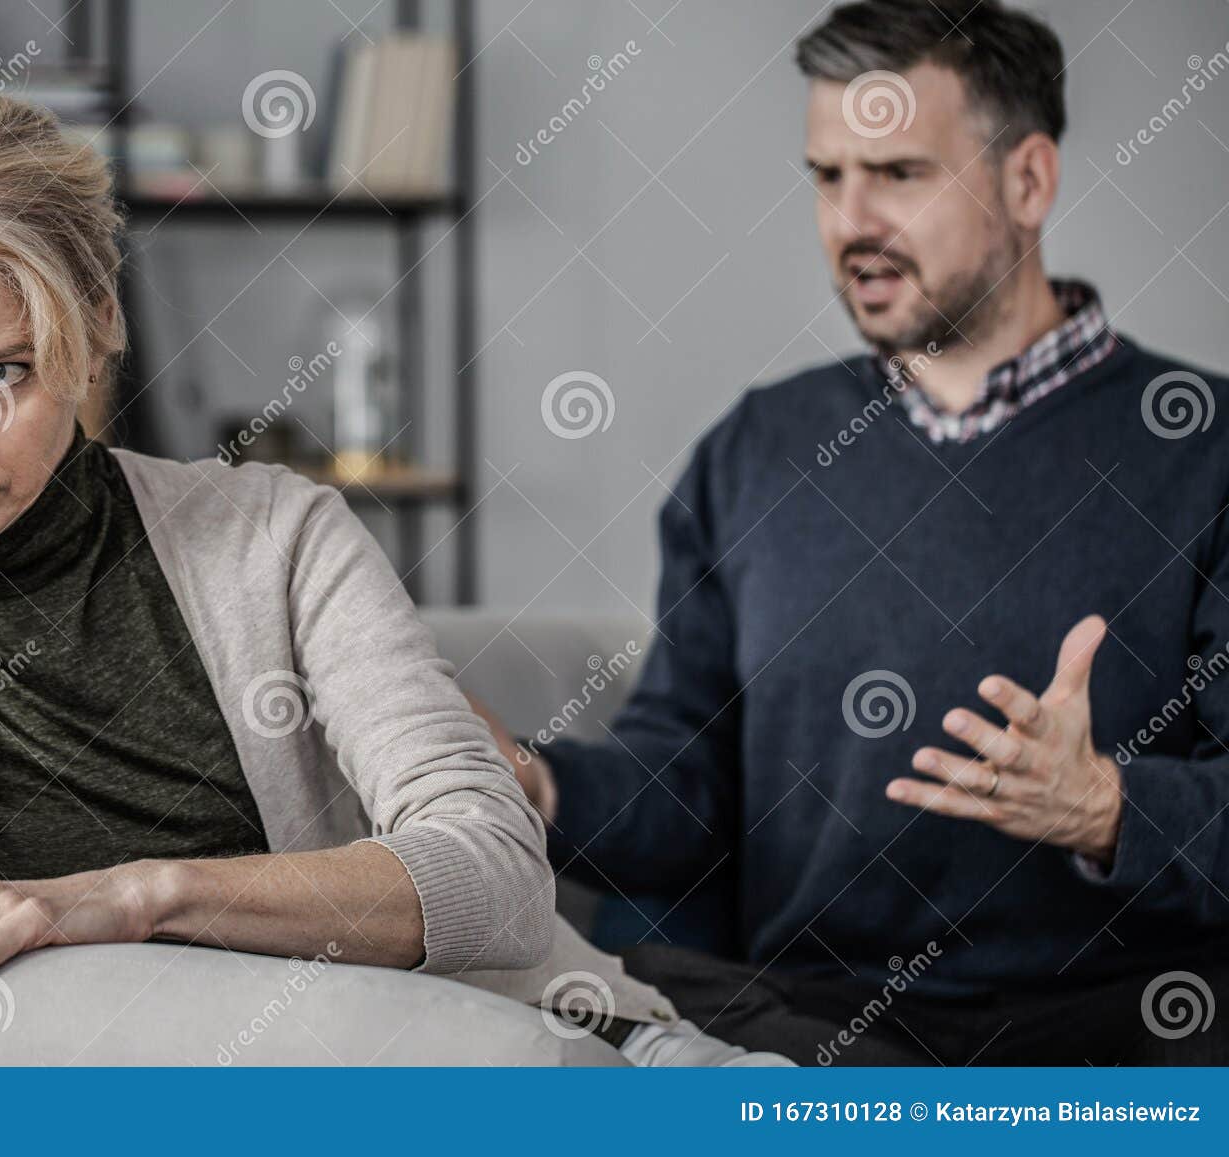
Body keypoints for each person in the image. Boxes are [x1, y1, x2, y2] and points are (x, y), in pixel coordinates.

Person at [0, 76, 783, 1067]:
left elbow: (494, 874)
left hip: (505, 1055)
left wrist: (129, 897)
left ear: (98, 321)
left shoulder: (277, 536)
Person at [472, 0, 1229, 1065]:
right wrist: (533, 780)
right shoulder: (756, 447)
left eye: (900, 173)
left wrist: (1106, 803)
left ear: (1029, 181)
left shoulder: (1202, 449)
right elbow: (680, 786)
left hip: (1114, 1020)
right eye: (828, 177)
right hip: (807, 1019)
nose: (850, 221)